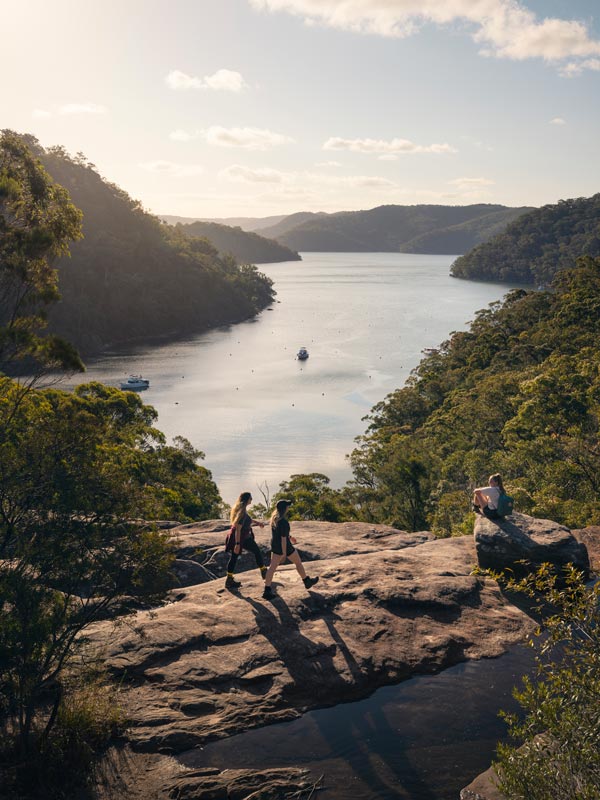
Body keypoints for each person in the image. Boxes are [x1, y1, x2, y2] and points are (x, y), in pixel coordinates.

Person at [262, 499, 319, 600]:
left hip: (275, 546)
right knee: (298, 563)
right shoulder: (283, 522)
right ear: (284, 509)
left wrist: (290, 537)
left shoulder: (274, 519)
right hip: (285, 547)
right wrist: (284, 554)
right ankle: (306, 581)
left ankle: (267, 590)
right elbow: (283, 539)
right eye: (287, 506)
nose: (289, 507)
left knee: (272, 568)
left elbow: (282, 534)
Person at [225, 491, 267, 589]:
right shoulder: (242, 512)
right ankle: (264, 571)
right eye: (250, 498)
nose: (252, 500)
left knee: (235, 557)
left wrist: (257, 522)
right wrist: (237, 543)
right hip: (241, 538)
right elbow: (238, 529)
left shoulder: (240, 509)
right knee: (256, 551)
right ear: (247, 499)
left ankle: (229, 580)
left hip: (242, 537)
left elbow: (247, 519)